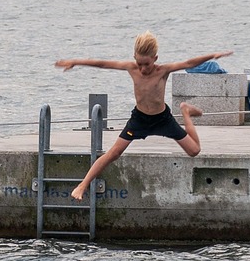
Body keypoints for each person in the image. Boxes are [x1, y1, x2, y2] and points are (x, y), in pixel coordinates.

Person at [55, 32, 233, 201]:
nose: (142, 68)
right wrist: (75, 61)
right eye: (139, 63)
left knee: (194, 151)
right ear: (134, 57)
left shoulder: (163, 70)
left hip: (163, 119)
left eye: (146, 64)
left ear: (155, 59)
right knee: (114, 152)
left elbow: (188, 63)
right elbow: (103, 64)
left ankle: (185, 111)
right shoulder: (131, 68)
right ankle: (83, 184)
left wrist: (212, 55)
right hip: (139, 119)